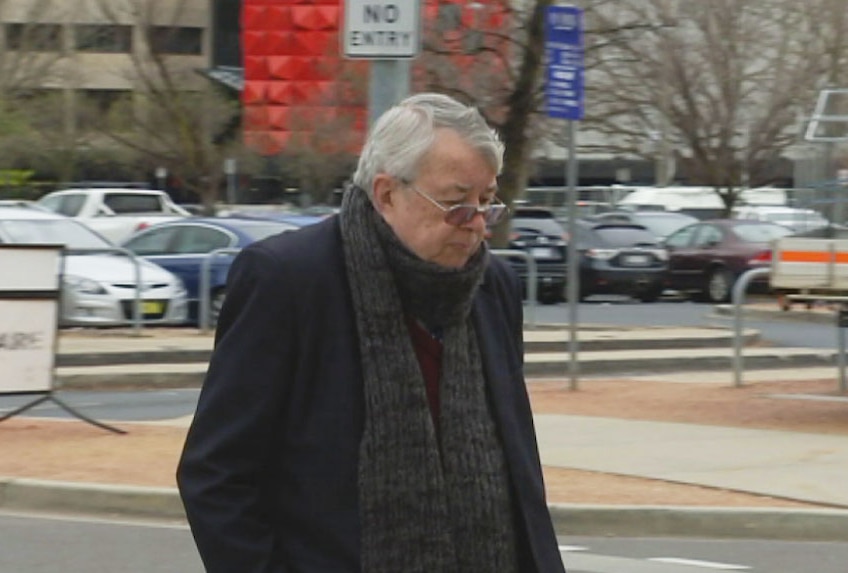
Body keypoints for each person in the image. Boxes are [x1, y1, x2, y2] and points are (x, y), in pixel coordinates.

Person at [177, 92, 566, 573]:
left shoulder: (494, 287)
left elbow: (516, 468)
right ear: (386, 194)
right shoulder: (289, 280)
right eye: (455, 204)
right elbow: (216, 476)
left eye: (486, 202)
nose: (477, 224)